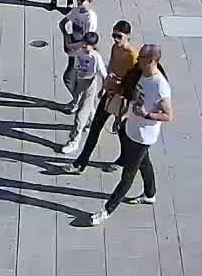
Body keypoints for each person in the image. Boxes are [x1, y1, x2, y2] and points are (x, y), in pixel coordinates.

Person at [88, 44, 171, 225]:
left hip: (143, 136)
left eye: (141, 58)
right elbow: (129, 93)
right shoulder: (140, 73)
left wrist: (147, 115)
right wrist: (120, 114)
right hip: (130, 127)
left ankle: (106, 211)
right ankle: (150, 194)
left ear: (151, 60)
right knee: (144, 162)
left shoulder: (161, 86)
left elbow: (168, 115)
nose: (137, 60)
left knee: (127, 176)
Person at [70, 21, 136, 173]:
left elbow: (132, 82)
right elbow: (111, 68)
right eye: (114, 36)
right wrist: (104, 87)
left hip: (123, 96)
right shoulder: (115, 48)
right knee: (95, 126)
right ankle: (81, 162)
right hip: (110, 92)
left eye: (119, 36)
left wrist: (122, 113)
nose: (115, 39)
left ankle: (125, 159)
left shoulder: (132, 55)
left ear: (128, 36)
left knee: (122, 131)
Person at [61, 30, 107, 148]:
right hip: (79, 81)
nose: (84, 46)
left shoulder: (96, 57)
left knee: (80, 115)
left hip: (89, 84)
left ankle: (74, 141)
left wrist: (103, 89)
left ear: (93, 46)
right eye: (83, 43)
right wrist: (65, 33)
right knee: (88, 106)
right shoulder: (80, 49)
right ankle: (91, 122)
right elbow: (68, 49)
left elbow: (104, 75)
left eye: (87, 44)